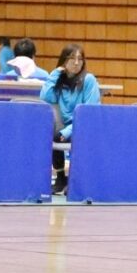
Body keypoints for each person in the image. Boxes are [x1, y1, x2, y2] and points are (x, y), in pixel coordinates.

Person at [41, 44, 101, 195]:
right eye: (72, 59)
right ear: (63, 61)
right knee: (51, 125)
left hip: (85, 126)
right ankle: (61, 179)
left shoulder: (89, 80)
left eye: (80, 59)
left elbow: (88, 113)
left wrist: (66, 132)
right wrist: (56, 72)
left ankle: (75, 181)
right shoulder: (60, 80)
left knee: (65, 134)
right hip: (67, 126)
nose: (76, 63)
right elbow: (45, 96)